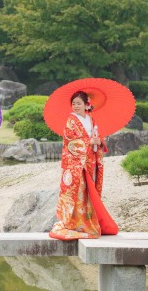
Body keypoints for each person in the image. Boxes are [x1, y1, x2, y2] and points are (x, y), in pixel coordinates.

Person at [49, 90, 110, 240]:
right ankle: (73, 222)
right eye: (73, 103)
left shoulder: (91, 119)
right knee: (78, 192)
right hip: (76, 164)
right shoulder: (71, 120)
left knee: (89, 193)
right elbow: (69, 140)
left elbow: (97, 137)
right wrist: (89, 142)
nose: (75, 106)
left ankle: (87, 221)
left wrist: (98, 141)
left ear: (86, 104)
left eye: (78, 103)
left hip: (90, 162)